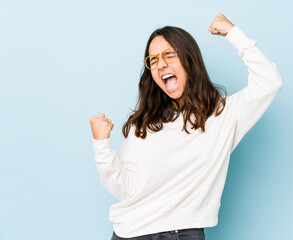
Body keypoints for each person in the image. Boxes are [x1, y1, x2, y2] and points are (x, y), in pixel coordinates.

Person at [89, 13, 283, 240]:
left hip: (184, 234)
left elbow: (270, 81)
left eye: (169, 55)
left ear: (189, 59)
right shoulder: (142, 124)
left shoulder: (224, 114)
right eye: (153, 60)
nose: (161, 65)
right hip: (130, 233)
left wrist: (233, 33)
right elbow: (125, 189)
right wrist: (101, 145)